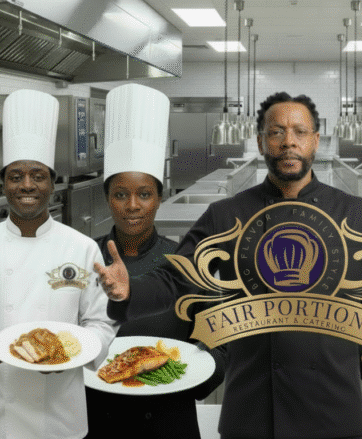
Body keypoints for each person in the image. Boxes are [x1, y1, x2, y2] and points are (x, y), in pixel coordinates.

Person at [96, 91, 362, 439]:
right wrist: (130, 290)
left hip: (332, 411)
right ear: (261, 143)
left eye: (299, 132)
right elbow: (177, 278)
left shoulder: (357, 213)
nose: (287, 142)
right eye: (276, 133)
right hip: (253, 412)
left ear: (315, 141)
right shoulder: (226, 215)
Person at [0, 89, 116, 439]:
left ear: (51, 183)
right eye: (15, 176)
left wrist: (72, 357)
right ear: (4, 184)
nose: (27, 185)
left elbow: (100, 323)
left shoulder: (82, 248)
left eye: (38, 175)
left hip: (61, 414)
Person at [84, 84, 224, 438]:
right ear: (107, 200)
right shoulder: (82, 258)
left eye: (144, 194)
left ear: (159, 198)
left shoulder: (184, 261)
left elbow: (220, 340)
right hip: (95, 417)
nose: (132, 206)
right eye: (120, 195)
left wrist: (195, 377)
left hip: (168, 419)